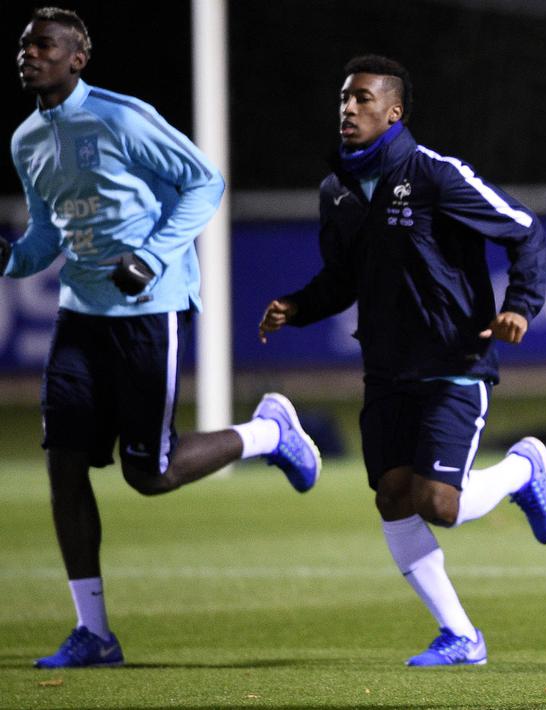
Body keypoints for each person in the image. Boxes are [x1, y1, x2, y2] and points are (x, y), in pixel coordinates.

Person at [5, 7, 322, 670]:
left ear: (77, 58)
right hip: (79, 316)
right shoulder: (26, 140)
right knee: (64, 464)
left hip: (151, 309)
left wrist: (150, 256)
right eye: (24, 44)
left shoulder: (122, 117)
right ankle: (93, 631)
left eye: (43, 44)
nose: (28, 54)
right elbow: (42, 239)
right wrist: (8, 259)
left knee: (148, 474)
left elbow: (205, 181)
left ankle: (269, 434)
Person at [258, 54, 546, 667]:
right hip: (386, 367)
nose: (349, 108)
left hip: (456, 362)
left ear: (393, 111)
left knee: (439, 505)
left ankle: (523, 472)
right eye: (345, 99)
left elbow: (524, 229)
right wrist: (297, 306)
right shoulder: (336, 190)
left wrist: (521, 306)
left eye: (363, 99)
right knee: (393, 495)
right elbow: (344, 279)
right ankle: (461, 637)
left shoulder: (434, 175)